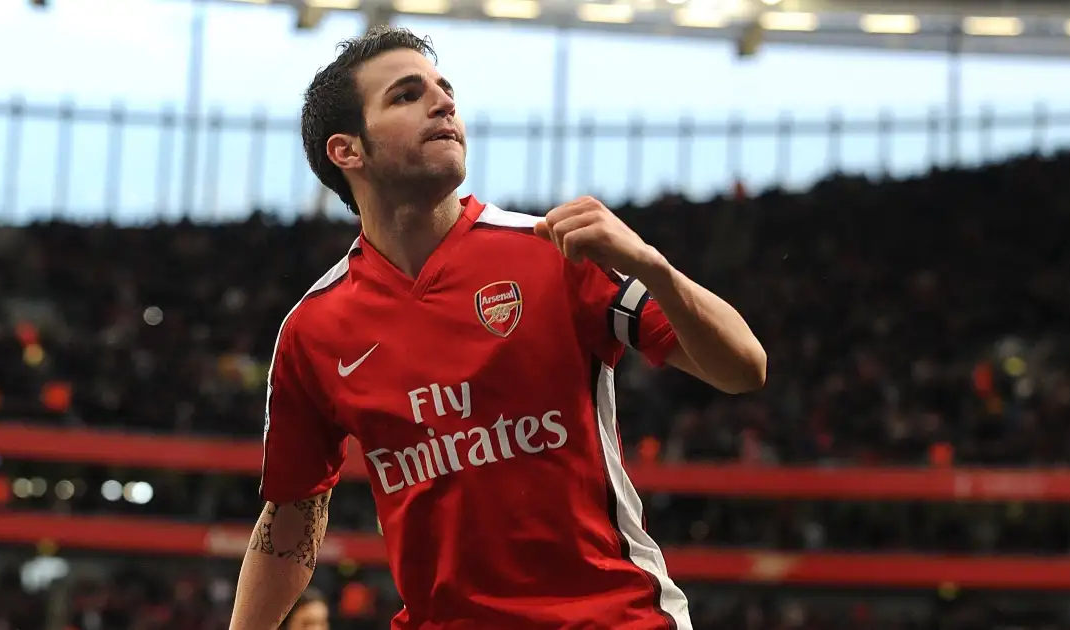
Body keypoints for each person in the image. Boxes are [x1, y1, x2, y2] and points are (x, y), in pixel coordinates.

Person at [229, 26, 766, 630]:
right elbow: (293, 517)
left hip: (614, 619)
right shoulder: (313, 329)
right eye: (407, 95)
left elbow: (745, 367)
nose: (443, 103)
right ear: (347, 151)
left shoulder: (554, 250)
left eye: (444, 89)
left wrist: (652, 265)